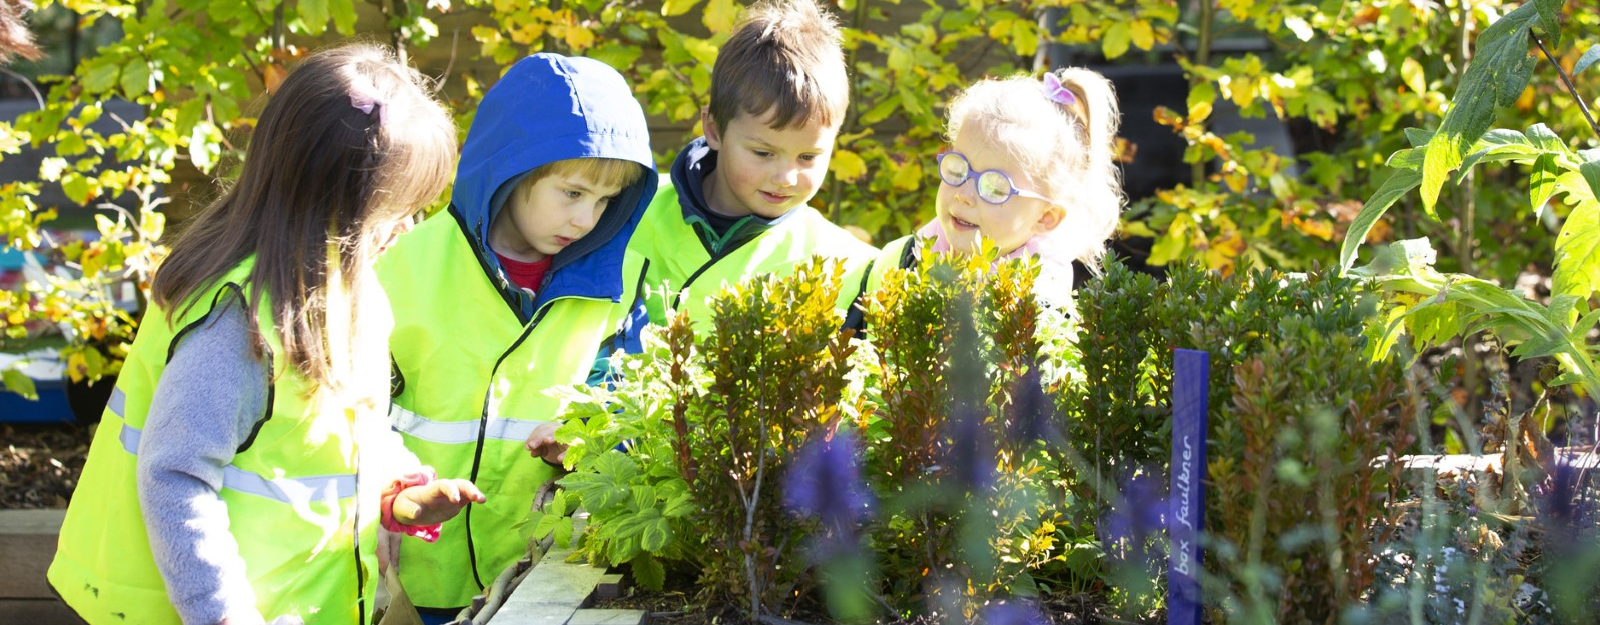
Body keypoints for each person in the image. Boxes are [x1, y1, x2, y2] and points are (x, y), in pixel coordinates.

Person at [48, 43, 482, 625]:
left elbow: (345, 428)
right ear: (338, 205)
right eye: (396, 209)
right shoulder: (242, 321)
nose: (409, 225)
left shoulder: (348, 289)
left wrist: (394, 488)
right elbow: (174, 474)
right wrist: (223, 615)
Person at [375, 52, 657, 620]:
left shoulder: (620, 288)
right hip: (411, 573)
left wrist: (586, 439)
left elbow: (627, 402)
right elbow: (350, 415)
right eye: (573, 193)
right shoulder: (402, 268)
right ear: (512, 173)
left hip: (538, 579)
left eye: (606, 202)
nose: (587, 220)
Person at [627, 0, 877, 332]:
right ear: (714, 129)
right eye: (763, 153)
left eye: (808, 157)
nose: (786, 178)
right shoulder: (629, 210)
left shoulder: (850, 267)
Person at [844, 67, 1123, 327]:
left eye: (994, 188)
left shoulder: (1037, 310)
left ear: (1046, 217)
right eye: (957, 169)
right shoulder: (901, 260)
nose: (964, 195)